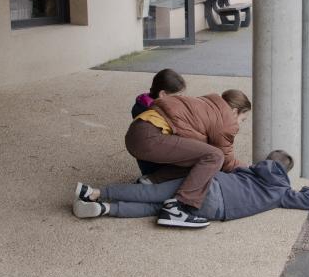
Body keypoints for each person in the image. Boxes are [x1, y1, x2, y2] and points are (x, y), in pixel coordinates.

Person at [81, 89, 252, 228]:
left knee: (200, 163)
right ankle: (177, 207)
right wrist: (250, 169)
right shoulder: (227, 120)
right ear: (235, 111)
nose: (239, 125)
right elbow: (226, 161)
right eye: (242, 119)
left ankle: (150, 182)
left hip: (137, 131)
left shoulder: (207, 104)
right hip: (151, 137)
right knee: (215, 157)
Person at [72, 150, 309, 223]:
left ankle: (94, 193)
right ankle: (104, 209)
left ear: (266, 160)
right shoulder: (283, 193)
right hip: (216, 212)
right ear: (285, 172)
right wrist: (306, 188)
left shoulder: (251, 169)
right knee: (154, 208)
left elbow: (225, 167)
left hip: (209, 188)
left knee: (153, 192)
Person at [130, 68, 187, 181]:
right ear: (162, 94)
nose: (181, 99)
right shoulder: (152, 113)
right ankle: (152, 180)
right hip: (156, 165)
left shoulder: (142, 104)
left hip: (149, 160)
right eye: (177, 96)